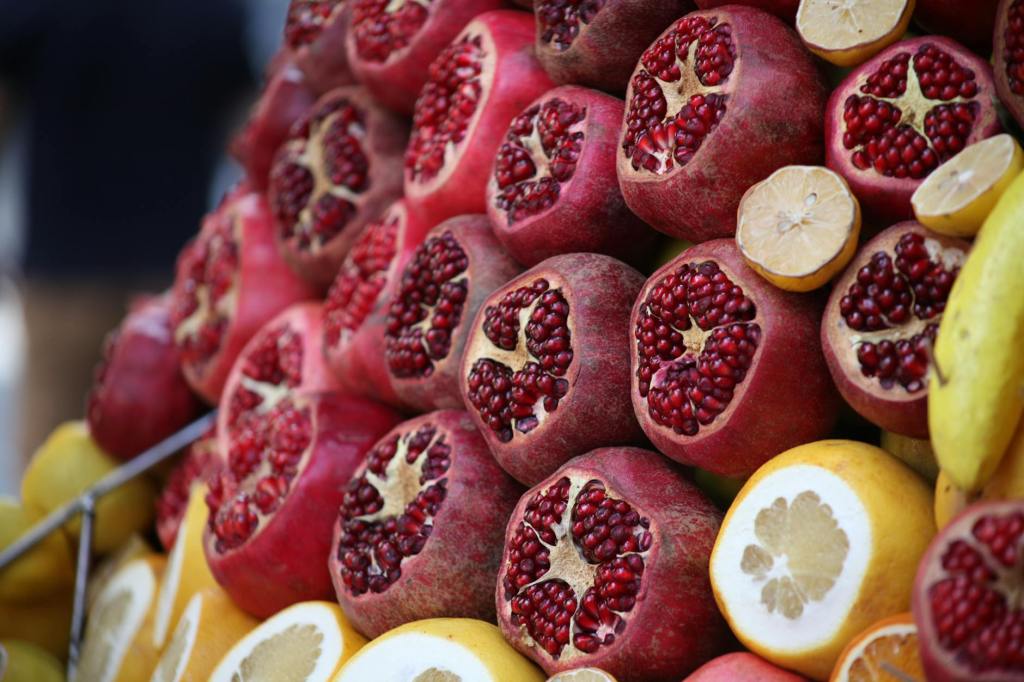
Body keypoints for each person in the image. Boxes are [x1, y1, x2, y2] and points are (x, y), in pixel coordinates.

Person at [0, 0, 253, 458]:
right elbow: (243, 124)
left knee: (51, 480)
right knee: (160, 472)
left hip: (63, 276)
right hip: (172, 283)